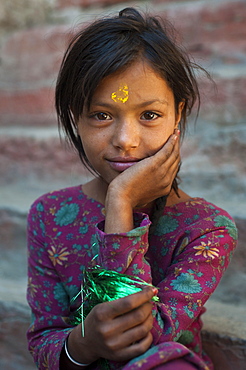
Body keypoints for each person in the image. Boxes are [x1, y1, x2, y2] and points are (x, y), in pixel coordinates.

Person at [26, 8, 238, 370]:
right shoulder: (50, 216)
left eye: (150, 115)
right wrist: (82, 342)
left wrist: (121, 203)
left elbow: (142, 340)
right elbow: (45, 339)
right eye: (102, 115)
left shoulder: (207, 229)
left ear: (178, 115)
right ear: (76, 118)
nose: (125, 140)